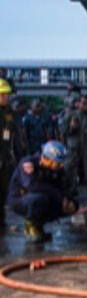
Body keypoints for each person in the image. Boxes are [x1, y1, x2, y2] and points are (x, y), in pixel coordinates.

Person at [7, 140, 78, 243]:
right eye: (58, 162)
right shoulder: (28, 163)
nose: (61, 165)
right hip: (21, 200)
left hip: (41, 197)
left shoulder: (56, 169)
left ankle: (39, 226)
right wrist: (59, 196)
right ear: (48, 159)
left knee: (70, 204)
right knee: (40, 199)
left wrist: (68, 200)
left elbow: (61, 188)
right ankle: (30, 226)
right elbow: (31, 186)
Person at [0, 78, 26, 225]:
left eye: (6, 94)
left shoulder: (10, 113)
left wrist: (18, 156)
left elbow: (15, 134)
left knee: (5, 188)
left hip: (6, 157)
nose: (6, 97)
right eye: (2, 94)